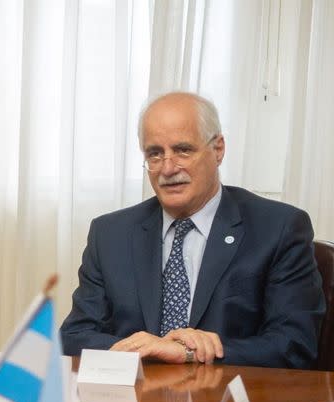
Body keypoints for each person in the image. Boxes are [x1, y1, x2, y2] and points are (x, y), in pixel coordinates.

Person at [60, 92, 325, 368]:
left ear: (218, 149)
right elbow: (75, 337)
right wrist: (146, 349)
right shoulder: (110, 234)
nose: (168, 168)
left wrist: (190, 353)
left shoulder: (277, 228)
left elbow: (294, 344)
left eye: (183, 150)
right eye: (155, 154)